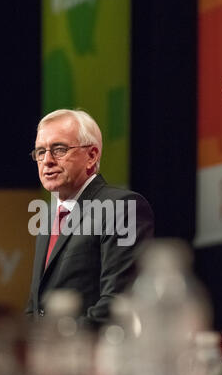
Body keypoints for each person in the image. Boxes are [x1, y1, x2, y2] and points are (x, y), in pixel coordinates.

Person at [26, 109, 154, 327]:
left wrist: (62, 344)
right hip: (48, 356)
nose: (46, 160)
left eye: (59, 149)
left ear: (92, 155)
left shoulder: (122, 207)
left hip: (94, 355)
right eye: (40, 151)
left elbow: (117, 302)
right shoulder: (47, 216)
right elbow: (35, 305)